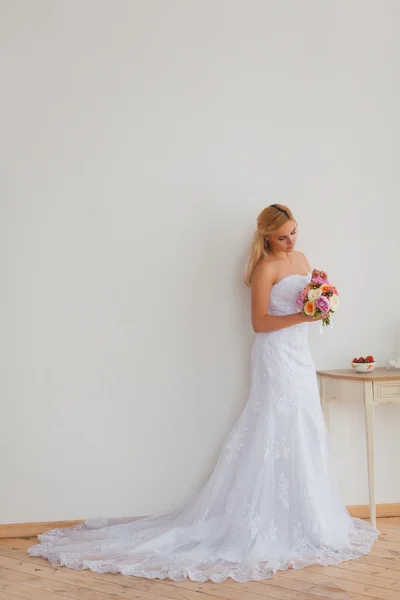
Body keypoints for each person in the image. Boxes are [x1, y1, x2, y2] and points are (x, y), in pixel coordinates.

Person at [27, 204, 379, 582]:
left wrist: (320, 302)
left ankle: (306, 517)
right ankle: (260, 523)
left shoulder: (303, 258)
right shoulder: (265, 268)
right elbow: (260, 323)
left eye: (294, 232)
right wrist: (305, 315)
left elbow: (307, 302)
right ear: (266, 237)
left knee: (304, 424)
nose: (291, 241)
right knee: (275, 426)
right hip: (275, 357)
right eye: (282, 236)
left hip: (300, 356)